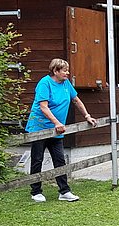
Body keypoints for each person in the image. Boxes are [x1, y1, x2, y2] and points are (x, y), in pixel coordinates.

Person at [26, 58, 97, 203]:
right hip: (40, 127)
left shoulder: (66, 83)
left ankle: (64, 191)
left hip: (57, 130)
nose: (67, 73)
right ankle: (36, 191)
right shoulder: (45, 83)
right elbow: (43, 107)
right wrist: (57, 123)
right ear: (55, 71)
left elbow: (76, 100)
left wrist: (87, 116)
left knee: (59, 159)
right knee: (37, 159)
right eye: (64, 71)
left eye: (67, 70)